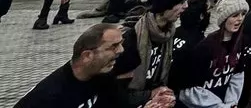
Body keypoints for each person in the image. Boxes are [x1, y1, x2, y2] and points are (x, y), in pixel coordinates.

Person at [17, 23, 176, 108]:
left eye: (120, 44)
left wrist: (151, 97)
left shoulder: (102, 76)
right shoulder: (50, 96)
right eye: (113, 46)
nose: (120, 50)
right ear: (87, 55)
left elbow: (118, 102)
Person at [113, 0, 188, 105]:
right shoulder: (131, 38)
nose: (186, 6)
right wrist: (150, 95)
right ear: (166, 4)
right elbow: (116, 91)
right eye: (181, 2)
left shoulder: (168, 34)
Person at [172, 0, 248, 108]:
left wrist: (231, 102)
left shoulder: (239, 42)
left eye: (243, 14)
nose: (240, 19)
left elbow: (237, 74)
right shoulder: (205, 46)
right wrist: (220, 106)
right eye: (235, 15)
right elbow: (187, 89)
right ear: (224, 18)